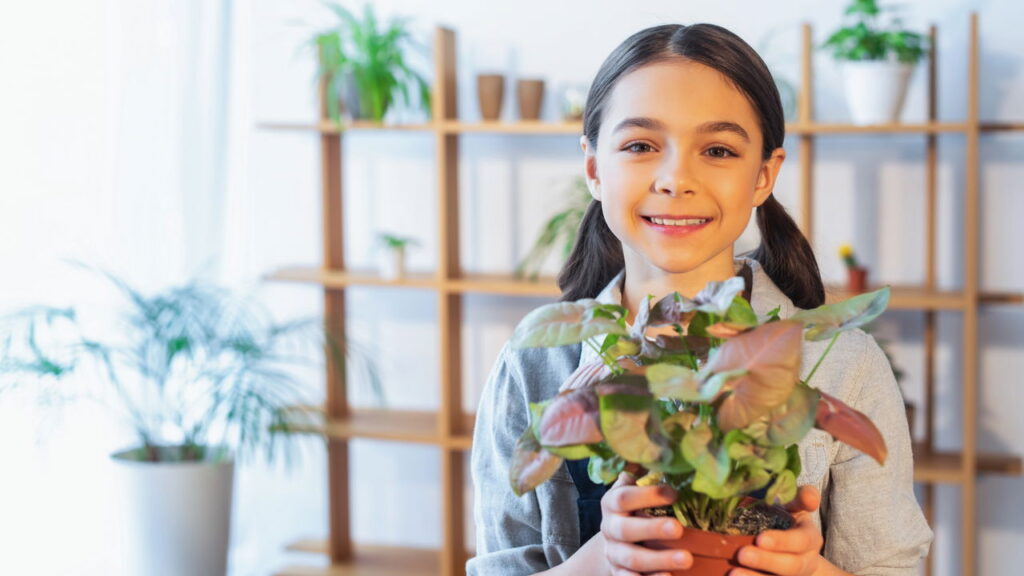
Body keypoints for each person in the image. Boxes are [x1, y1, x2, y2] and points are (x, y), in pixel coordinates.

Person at [468, 23, 933, 576]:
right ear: (594, 167)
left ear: (763, 175)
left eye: (717, 150)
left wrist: (809, 570)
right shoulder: (532, 366)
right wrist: (600, 560)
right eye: (640, 145)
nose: (676, 178)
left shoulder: (846, 363)